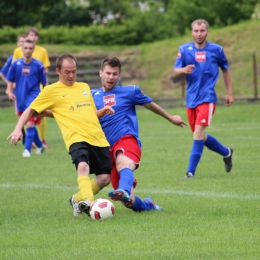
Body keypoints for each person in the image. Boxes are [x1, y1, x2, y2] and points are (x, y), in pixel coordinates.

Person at [7, 54, 114, 217]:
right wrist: (17, 129)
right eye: (67, 72)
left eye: (74, 72)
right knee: (83, 167)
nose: (71, 76)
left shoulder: (84, 87)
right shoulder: (51, 91)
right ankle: (90, 203)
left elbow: (90, 113)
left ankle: (77, 199)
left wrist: (102, 111)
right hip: (76, 137)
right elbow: (30, 110)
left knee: (105, 178)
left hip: (97, 136)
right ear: (58, 71)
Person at [91, 56, 187, 213]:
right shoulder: (91, 96)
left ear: (119, 76)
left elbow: (150, 105)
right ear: (100, 73)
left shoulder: (130, 91)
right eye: (108, 73)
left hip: (127, 139)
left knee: (123, 162)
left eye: (115, 74)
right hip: (106, 149)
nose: (111, 77)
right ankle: (148, 205)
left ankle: (124, 190)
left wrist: (171, 118)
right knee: (130, 203)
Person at [173, 19, 234, 179]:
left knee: (199, 132)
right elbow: (175, 71)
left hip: (207, 98)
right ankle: (226, 152)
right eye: (196, 31)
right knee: (199, 136)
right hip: (191, 98)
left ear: (207, 32)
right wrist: (183, 70)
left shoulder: (216, 50)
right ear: (192, 32)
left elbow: (225, 69)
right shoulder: (184, 49)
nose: (199, 34)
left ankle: (190, 171)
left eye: (202, 31)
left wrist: (229, 93)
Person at [6, 39, 46, 157]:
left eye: (30, 48)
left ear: (33, 49)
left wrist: (45, 100)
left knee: (29, 125)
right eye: (26, 48)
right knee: (26, 125)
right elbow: (10, 79)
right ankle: (40, 145)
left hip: (33, 98)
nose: (28, 50)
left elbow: (44, 83)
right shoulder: (16, 64)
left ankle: (27, 150)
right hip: (21, 99)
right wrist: (9, 91)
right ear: (22, 49)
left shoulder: (38, 65)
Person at [12, 27, 50, 148]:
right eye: (30, 35)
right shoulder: (18, 51)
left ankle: (40, 140)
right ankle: (32, 141)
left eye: (35, 35)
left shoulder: (42, 51)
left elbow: (45, 69)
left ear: (37, 38)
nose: (32, 37)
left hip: (36, 87)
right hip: (22, 88)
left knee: (40, 116)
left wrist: (45, 88)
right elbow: (15, 66)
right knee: (23, 116)